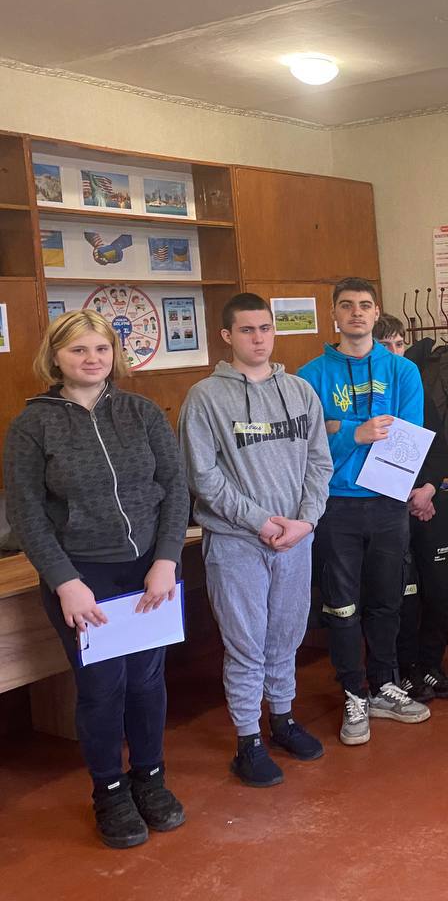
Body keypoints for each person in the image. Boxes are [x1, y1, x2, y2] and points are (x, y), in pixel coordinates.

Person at [4, 311, 188, 848]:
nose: (92, 359)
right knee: (102, 689)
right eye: (78, 349)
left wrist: (166, 560)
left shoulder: (142, 412)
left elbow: (175, 488)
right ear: (55, 357)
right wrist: (65, 581)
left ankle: (150, 778)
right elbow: (27, 514)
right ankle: (109, 790)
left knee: (147, 682)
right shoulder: (32, 425)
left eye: (102, 349)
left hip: (149, 572)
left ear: (115, 354)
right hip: (84, 580)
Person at [179, 294, 333, 786]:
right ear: (227, 336)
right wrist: (261, 522)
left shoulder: (300, 391)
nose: (259, 338)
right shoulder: (205, 398)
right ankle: (247, 741)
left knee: (285, 636)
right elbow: (203, 477)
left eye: (265, 328)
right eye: (247, 330)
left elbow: (320, 463)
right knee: (246, 644)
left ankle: (282, 719)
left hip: (295, 540)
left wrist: (306, 521)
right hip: (237, 543)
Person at [298, 278, 430, 746]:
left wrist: (339, 427)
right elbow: (307, 444)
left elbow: (406, 436)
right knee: (342, 604)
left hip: (388, 501)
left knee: (387, 599)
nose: (357, 312)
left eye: (365, 305)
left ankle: (384, 684)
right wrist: (355, 432)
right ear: (334, 313)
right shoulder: (310, 376)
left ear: (376, 313)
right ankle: (354, 693)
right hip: (335, 504)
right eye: (347, 305)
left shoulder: (403, 371)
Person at [372, 313, 448, 702]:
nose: (395, 352)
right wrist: (408, 495)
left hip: (427, 501)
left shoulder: (416, 388)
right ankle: (405, 669)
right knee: (404, 594)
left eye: (399, 343)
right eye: (385, 345)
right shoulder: (368, 396)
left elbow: (439, 450)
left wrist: (426, 489)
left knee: (441, 589)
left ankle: (430, 665)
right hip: (388, 509)